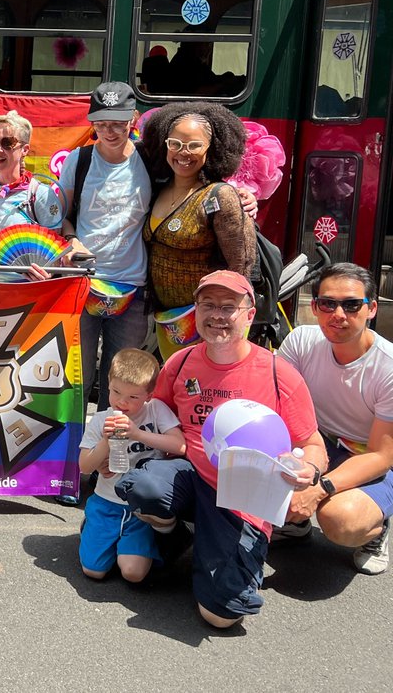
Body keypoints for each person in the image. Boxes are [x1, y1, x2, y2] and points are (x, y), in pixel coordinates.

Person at [115, 270, 325, 628]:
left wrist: (311, 471)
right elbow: (155, 417)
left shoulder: (279, 373)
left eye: (229, 306)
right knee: (143, 487)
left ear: (250, 312)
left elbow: (312, 443)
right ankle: (177, 532)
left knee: (221, 615)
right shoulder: (179, 364)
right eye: (208, 304)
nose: (217, 315)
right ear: (195, 311)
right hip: (189, 475)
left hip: (244, 498)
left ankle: (217, 551)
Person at [275, 263, 393, 575]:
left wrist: (318, 488)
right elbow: (275, 407)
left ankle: (377, 527)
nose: (338, 314)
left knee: (340, 521)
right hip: (318, 442)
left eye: (352, 304)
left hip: (367, 455)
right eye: (327, 303)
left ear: (371, 309)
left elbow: (382, 455)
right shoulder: (301, 341)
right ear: (314, 307)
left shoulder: (388, 367)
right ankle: (295, 524)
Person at [59, 83, 151, 412]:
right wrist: (72, 240)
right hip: (83, 284)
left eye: (117, 123)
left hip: (132, 288)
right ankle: (75, 459)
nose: (109, 131)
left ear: (134, 119)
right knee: (76, 379)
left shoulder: (150, 161)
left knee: (123, 386)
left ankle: (111, 457)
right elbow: (62, 217)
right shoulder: (79, 160)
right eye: (101, 123)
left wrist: (242, 196)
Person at [140, 101, 256, 359]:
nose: (183, 153)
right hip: (169, 320)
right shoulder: (157, 187)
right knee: (179, 386)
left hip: (210, 323)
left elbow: (241, 264)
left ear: (211, 150)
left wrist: (226, 318)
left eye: (194, 145)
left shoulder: (220, 196)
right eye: (175, 144)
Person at [78, 348, 184, 583]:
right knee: (94, 570)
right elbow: (84, 466)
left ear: (149, 394)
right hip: (107, 501)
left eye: (133, 397)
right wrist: (106, 441)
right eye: (115, 392)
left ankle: (160, 538)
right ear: (108, 383)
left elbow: (180, 445)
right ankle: (93, 527)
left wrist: (137, 434)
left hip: (140, 508)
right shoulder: (100, 419)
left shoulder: (155, 410)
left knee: (133, 573)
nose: (122, 402)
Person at [0, 110, 63, 275]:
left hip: (20, 291)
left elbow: (55, 255)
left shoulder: (40, 194)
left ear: (25, 150)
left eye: (7, 143)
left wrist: (45, 273)